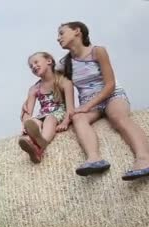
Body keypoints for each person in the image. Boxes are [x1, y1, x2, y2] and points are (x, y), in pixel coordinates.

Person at [55, 21, 149, 180]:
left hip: (111, 95)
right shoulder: (65, 63)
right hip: (89, 102)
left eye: (61, 33)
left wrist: (87, 106)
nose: (58, 38)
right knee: (77, 118)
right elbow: (49, 79)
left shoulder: (98, 51)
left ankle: (144, 159)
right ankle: (94, 159)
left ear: (77, 31)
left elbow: (110, 84)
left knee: (117, 116)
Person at [19, 52, 74, 163]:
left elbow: (70, 108)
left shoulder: (64, 81)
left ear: (49, 61)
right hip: (42, 115)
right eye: (31, 66)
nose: (33, 67)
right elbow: (28, 112)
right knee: (34, 121)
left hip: (59, 113)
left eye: (36, 62)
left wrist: (65, 122)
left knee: (50, 119)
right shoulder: (34, 89)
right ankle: (35, 145)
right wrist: (26, 125)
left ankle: (41, 145)